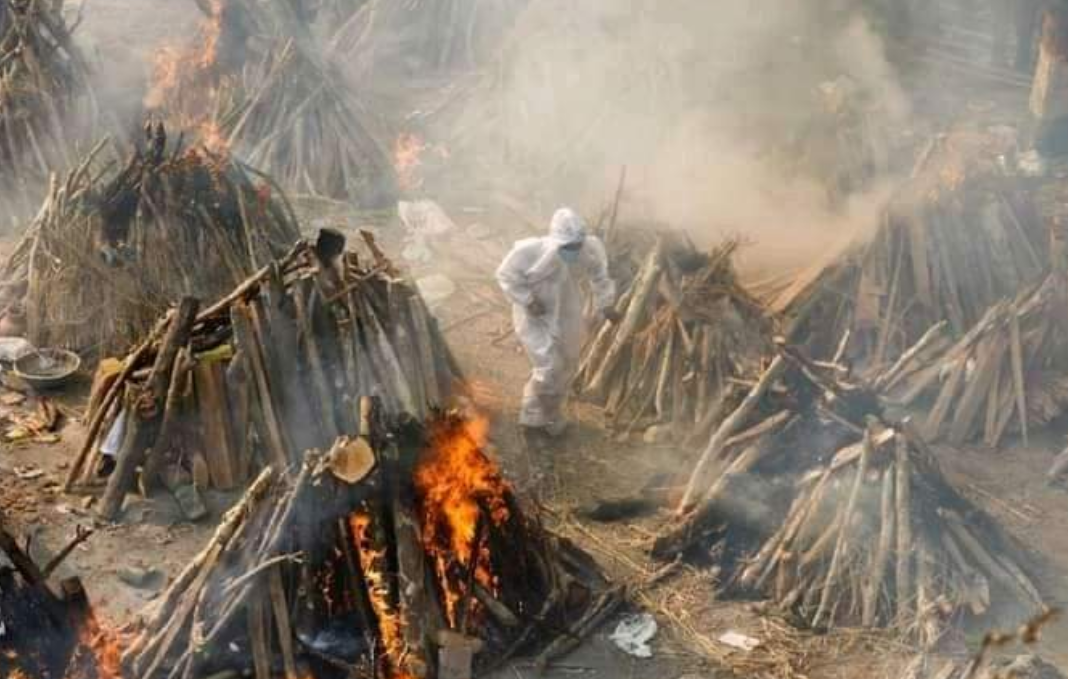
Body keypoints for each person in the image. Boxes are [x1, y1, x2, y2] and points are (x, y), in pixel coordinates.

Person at [496, 207, 617, 439]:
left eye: (575, 246)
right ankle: (531, 419)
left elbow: (600, 276)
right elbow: (505, 275)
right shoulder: (530, 250)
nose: (572, 250)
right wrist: (527, 300)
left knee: (568, 362)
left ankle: (550, 415)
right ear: (556, 241)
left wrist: (606, 304)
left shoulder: (589, 248)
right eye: (567, 246)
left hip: (567, 309)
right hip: (535, 314)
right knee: (548, 365)